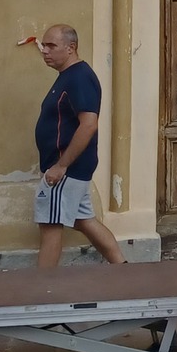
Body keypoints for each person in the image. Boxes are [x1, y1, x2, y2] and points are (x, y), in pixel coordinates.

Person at [33, 26, 126, 269]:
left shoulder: (79, 77)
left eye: (52, 46)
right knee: (84, 220)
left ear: (71, 47)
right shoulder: (69, 76)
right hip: (72, 168)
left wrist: (61, 165)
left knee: (50, 226)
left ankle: (41, 290)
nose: (45, 51)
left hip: (66, 167)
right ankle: (123, 268)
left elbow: (88, 124)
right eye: (44, 45)